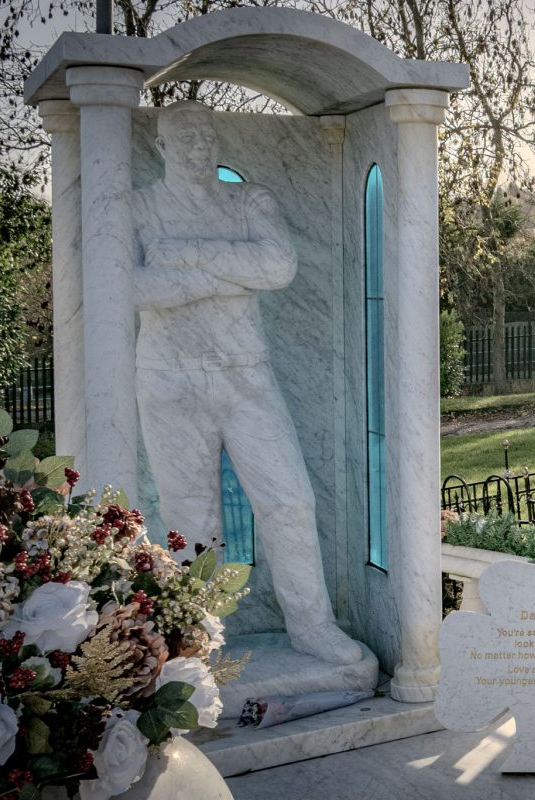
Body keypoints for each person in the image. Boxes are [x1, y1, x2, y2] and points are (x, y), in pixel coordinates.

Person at [131, 100, 362, 665]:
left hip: (246, 375)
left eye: (207, 134)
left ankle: (312, 625)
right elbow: (134, 289)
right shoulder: (137, 207)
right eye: (184, 137)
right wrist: (230, 275)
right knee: (191, 519)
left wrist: (183, 261)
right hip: (171, 379)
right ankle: (196, 641)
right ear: (161, 145)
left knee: (290, 501)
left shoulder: (248, 198)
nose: (198, 145)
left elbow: (278, 267)